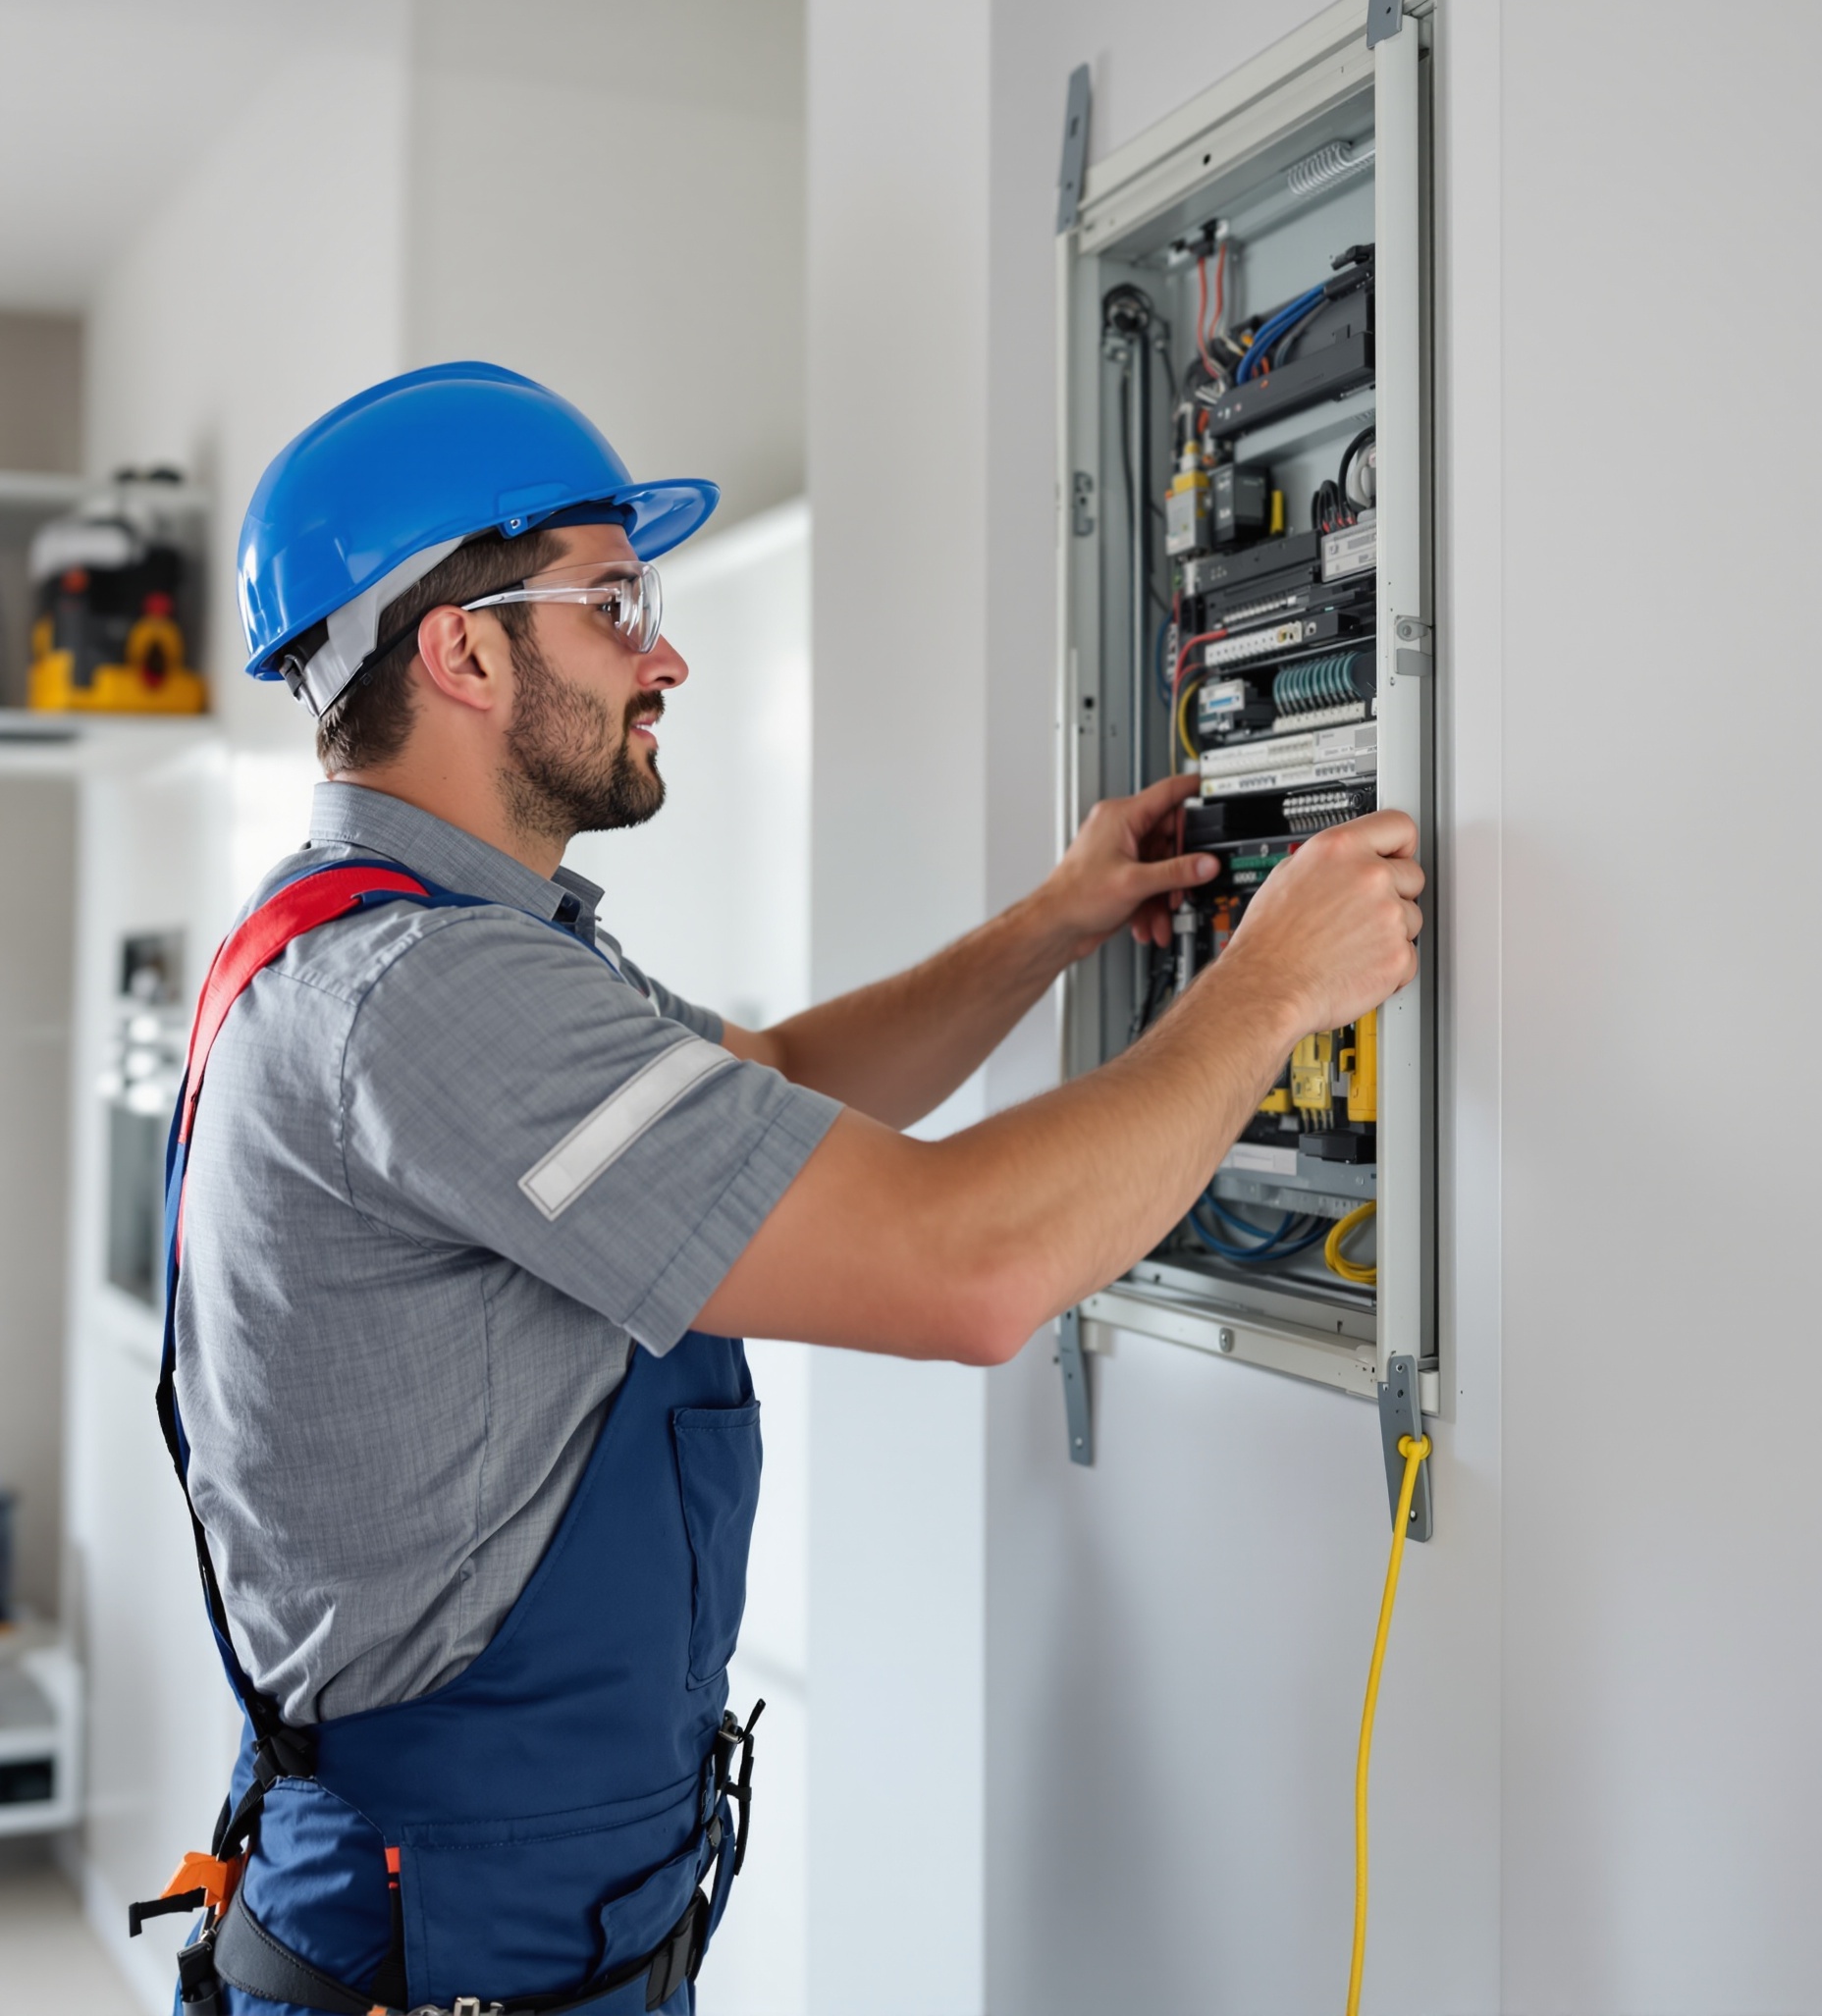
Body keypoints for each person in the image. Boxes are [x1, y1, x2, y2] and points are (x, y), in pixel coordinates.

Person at [144, 362, 1422, 2016]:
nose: (665, 652)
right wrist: (1264, 995)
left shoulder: (417, 945)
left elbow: (782, 1089)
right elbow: (972, 1271)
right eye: (614, 604)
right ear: (460, 651)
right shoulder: (423, 998)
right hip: (452, 1941)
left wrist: (1054, 920)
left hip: (518, 1922)